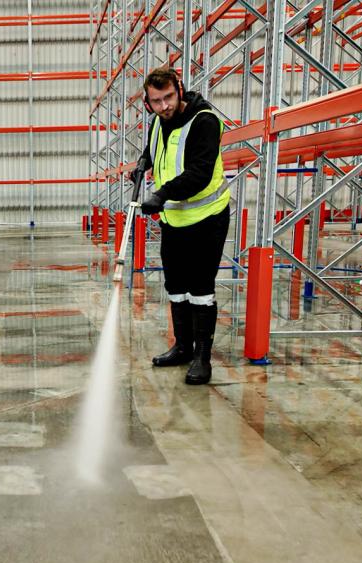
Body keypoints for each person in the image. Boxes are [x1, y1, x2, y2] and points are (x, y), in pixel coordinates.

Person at [130, 66, 230, 386]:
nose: (164, 106)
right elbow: (153, 149)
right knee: (175, 286)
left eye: (169, 97)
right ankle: (183, 347)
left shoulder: (205, 122)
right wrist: (142, 164)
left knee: (200, 289)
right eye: (156, 101)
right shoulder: (158, 122)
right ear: (148, 102)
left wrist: (161, 193)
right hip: (174, 219)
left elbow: (200, 173)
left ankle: (202, 357)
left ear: (180, 89)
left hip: (207, 218)